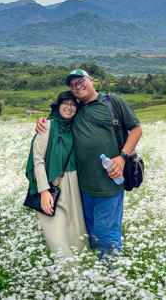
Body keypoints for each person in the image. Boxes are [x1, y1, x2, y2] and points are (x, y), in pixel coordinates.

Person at [36, 69, 142, 258]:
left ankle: (111, 278)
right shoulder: (76, 109)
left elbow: (136, 129)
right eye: (73, 85)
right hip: (82, 189)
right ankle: (96, 273)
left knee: (106, 234)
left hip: (109, 184)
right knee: (90, 234)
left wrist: (122, 157)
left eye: (81, 81)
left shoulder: (112, 102)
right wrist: (42, 122)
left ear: (92, 81)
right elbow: (59, 116)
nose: (78, 86)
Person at [25, 91, 88, 259]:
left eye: (73, 104)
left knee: (76, 234)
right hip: (52, 187)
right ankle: (66, 274)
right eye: (65, 103)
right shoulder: (47, 127)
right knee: (56, 237)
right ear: (58, 106)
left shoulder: (78, 128)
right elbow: (37, 161)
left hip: (74, 186)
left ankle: (81, 275)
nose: (69, 107)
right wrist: (44, 192)